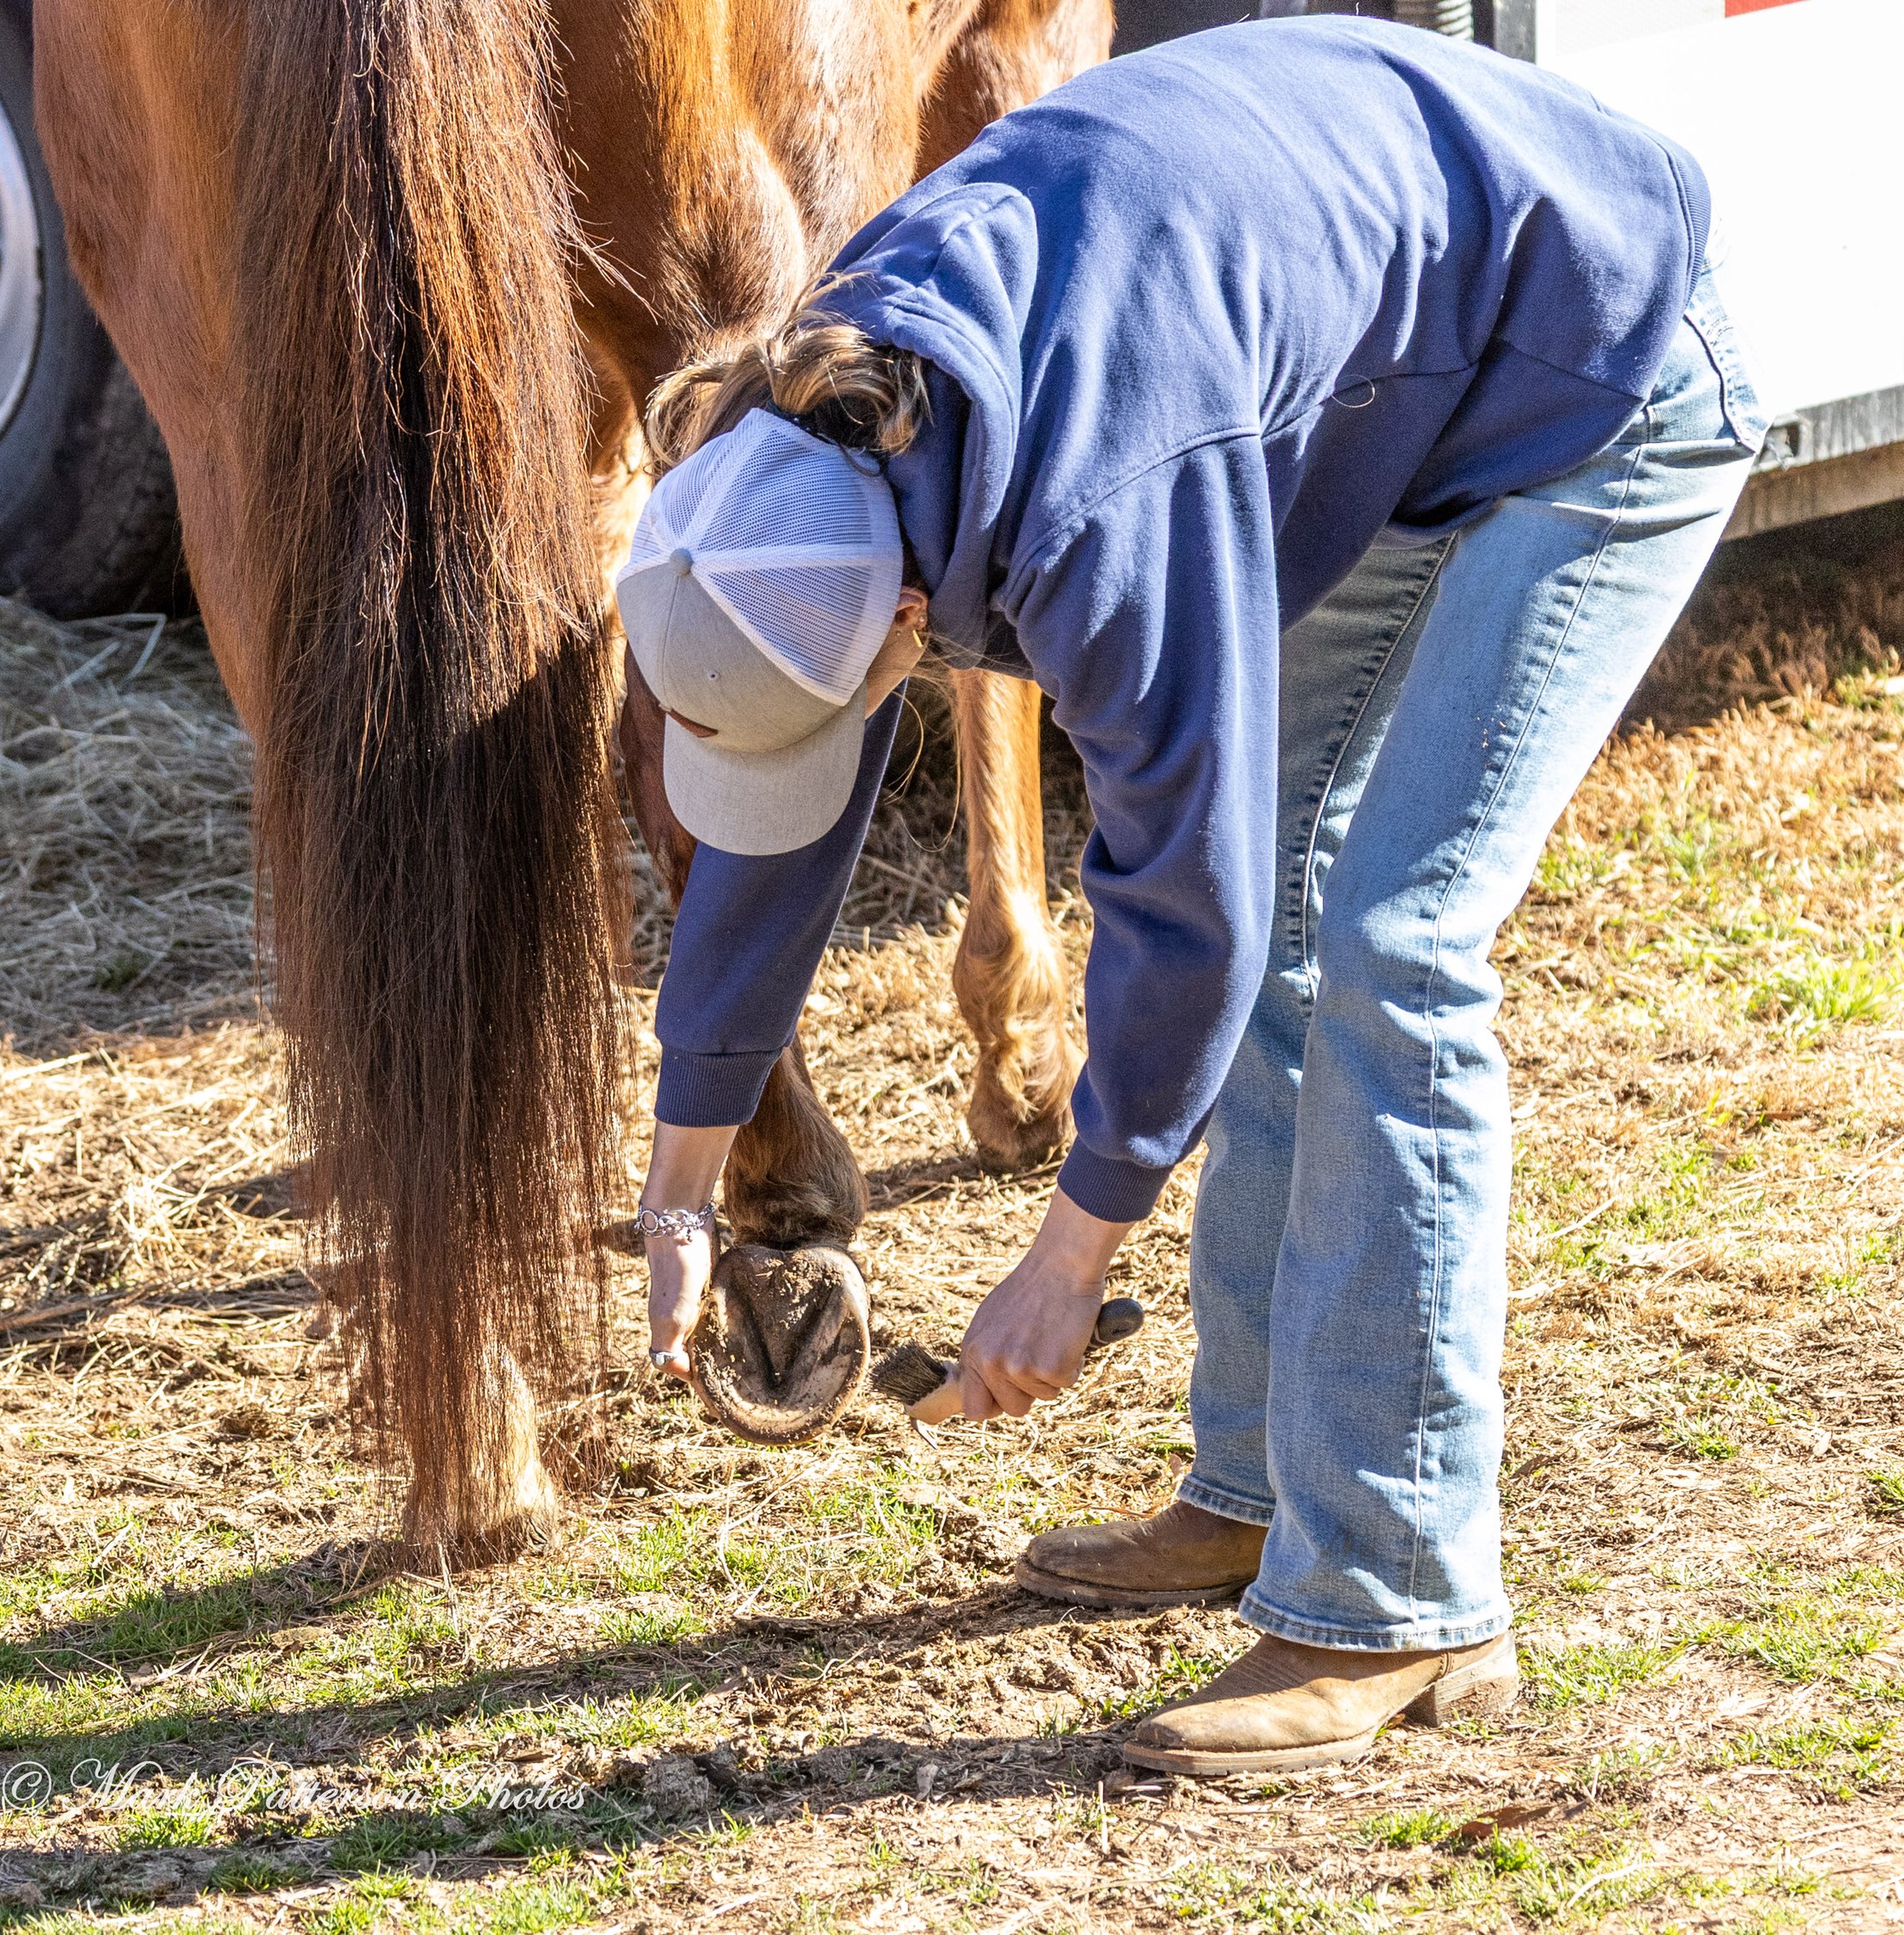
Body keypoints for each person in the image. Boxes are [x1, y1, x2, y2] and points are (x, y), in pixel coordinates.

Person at [618, 15, 1765, 1776]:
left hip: (1594, 376)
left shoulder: (1094, 510)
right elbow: (786, 816)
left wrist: (1071, 1250)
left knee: (1377, 934)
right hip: (1397, 384)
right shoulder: (811, 434)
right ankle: (1251, 1490)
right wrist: (686, 1169)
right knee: (1305, 928)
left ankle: (1393, 1599)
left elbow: (1190, 902)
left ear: (906, 628)